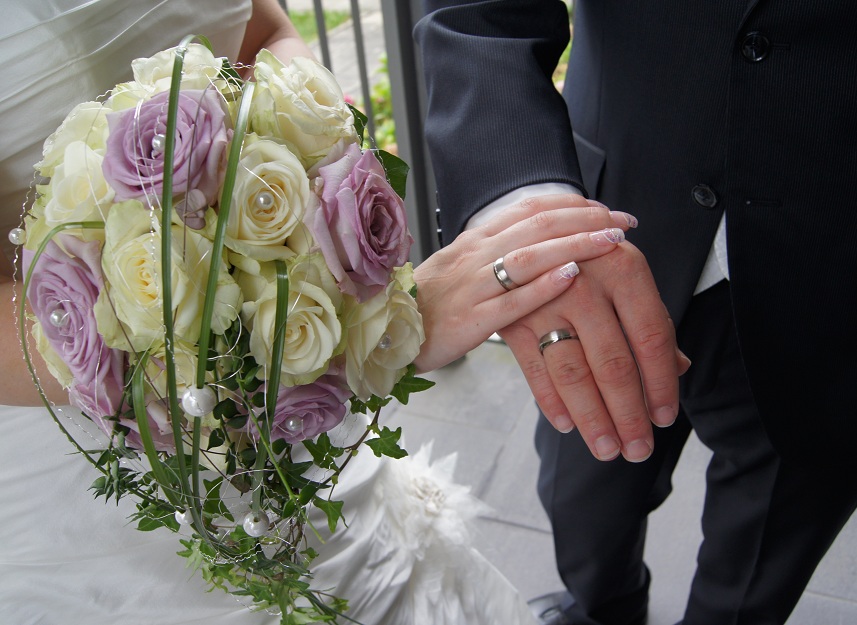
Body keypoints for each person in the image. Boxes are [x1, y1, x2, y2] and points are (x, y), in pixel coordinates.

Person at [0, 1, 630, 623]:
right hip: (77, 448)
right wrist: (353, 330)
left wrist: (321, 182)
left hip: (296, 425)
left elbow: (266, 29)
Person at [415, 1, 857, 624]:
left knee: (764, 555)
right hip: (612, 224)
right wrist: (529, 218)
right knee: (580, 505)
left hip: (833, 280)